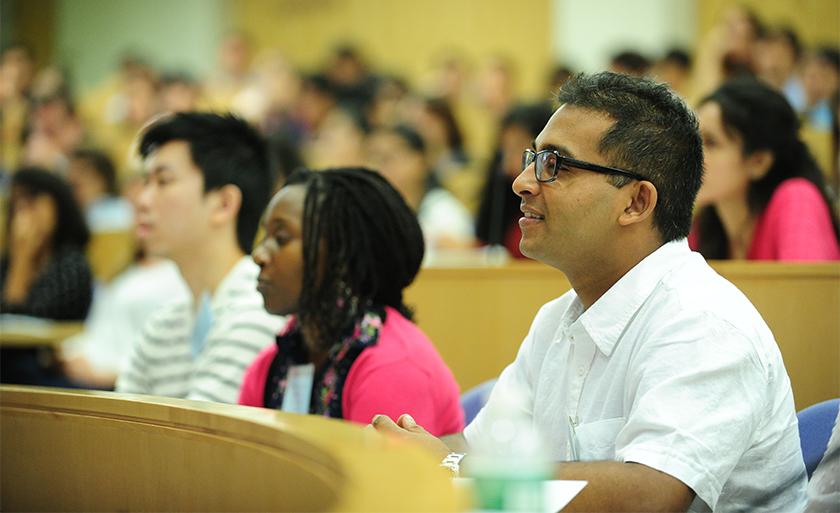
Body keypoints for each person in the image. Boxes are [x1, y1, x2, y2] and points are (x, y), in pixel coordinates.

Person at [372, 72, 806, 512]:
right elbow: (474, 446)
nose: (522, 181)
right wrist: (403, 450)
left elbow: (652, 493)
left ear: (636, 203)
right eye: (532, 158)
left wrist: (453, 466)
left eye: (554, 165)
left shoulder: (703, 322)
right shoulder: (559, 318)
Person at [239, 167, 463, 436]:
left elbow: (380, 478)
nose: (259, 255)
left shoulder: (390, 367)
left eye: (281, 238)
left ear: (341, 257)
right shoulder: (275, 362)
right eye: (264, 237)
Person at [116, 112, 286, 403]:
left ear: (223, 203)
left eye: (164, 181)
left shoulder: (258, 311)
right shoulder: (163, 326)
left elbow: (199, 444)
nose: (142, 201)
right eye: (146, 182)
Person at [690, 77, 840, 260]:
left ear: (758, 162)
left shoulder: (797, 199)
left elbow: (805, 288)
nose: (689, 153)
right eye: (692, 139)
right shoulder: (703, 226)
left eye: (711, 143)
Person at [1, 167, 93, 385]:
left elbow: (24, 324)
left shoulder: (72, 264)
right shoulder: (6, 263)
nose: (24, 215)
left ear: (57, 207)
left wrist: (21, 261)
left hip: (49, 367)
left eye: (31, 203)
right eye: (17, 206)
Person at [366, 124, 474, 254]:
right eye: (375, 158)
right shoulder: (370, 209)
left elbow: (465, 255)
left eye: (390, 158)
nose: (380, 168)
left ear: (420, 161)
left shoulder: (443, 210)